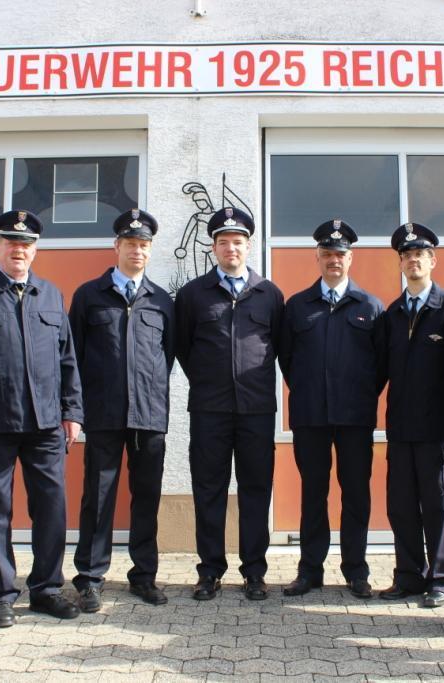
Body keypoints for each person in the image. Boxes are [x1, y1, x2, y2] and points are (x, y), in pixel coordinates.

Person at [0, 210, 84, 627]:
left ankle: (46, 589)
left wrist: (72, 411)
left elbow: (67, 360)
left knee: (52, 508)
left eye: (26, 245)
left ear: (35, 250)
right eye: (11, 243)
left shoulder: (51, 294)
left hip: (45, 425)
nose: (18, 250)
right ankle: (3, 594)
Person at [174, 207, 284, 601]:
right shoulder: (192, 295)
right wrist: (209, 382)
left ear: (248, 246)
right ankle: (210, 571)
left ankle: (254, 571)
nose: (231, 248)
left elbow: (279, 350)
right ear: (214, 248)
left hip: (256, 411)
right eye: (223, 242)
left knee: (256, 489)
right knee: (210, 490)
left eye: (238, 242)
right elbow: (183, 349)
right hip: (210, 411)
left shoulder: (269, 294)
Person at [70, 208, 175, 612]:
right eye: (130, 243)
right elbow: (74, 357)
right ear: (117, 246)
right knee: (98, 497)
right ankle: (90, 577)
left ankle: (143, 576)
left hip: (149, 416)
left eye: (143, 245)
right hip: (104, 414)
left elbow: (167, 357)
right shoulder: (88, 296)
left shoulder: (162, 300)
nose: (137, 250)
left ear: (150, 250)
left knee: (146, 496)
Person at [279, 219, 385, 599]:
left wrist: (358, 395)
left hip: (355, 418)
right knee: (314, 493)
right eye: (327, 254)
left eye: (340, 254)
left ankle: (356, 570)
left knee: (356, 493)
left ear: (350, 258)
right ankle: (310, 570)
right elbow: (287, 360)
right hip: (311, 416)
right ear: (317, 258)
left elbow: (380, 365)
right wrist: (310, 391)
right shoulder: (297, 306)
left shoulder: (370, 306)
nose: (333, 260)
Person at [378, 222, 444, 608]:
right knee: (402, 505)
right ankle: (409, 575)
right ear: (400, 263)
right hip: (401, 429)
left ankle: (442, 577)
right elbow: (378, 371)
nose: (413, 261)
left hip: (438, 430)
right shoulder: (391, 314)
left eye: (420, 255)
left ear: (433, 261)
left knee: (439, 505)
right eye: (406, 256)